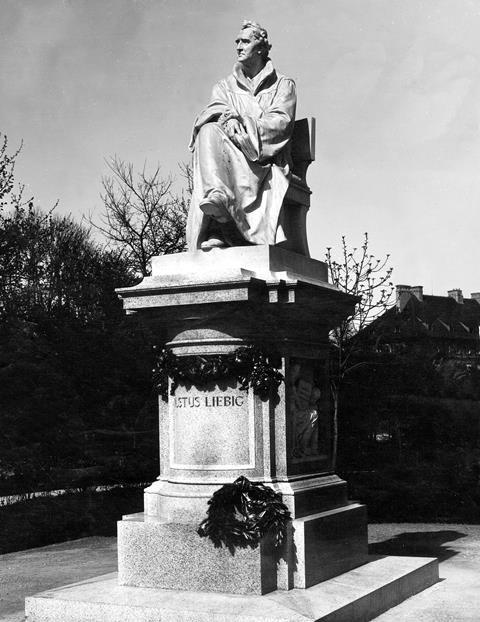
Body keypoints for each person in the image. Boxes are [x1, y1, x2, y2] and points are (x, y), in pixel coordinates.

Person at [186, 20, 297, 250]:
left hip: (263, 158)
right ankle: (219, 202)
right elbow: (211, 112)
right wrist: (228, 120)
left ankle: (222, 228)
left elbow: (281, 124)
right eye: (236, 41)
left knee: (229, 149)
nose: (238, 46)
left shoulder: (283, 85)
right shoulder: (224, 86)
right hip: (230, 154)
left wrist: (243, 124)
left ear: (261, 48)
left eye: (245, 41)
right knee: (207, 130)